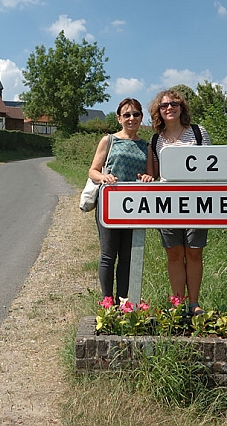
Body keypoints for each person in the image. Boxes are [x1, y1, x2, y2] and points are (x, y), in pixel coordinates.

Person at [146, 89, 211, 316]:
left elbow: (211, 168)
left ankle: (194, 304)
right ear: (158, 111)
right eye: (164, 106)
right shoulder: (155, 139)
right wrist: (146, 178)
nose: (169, 108)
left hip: (197, 202)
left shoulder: (198, 133)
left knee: (194, 252)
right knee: (174, 254)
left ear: (182, 107)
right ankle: (178, 304)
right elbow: (153, 174)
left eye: (174, 104)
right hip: (167, 204)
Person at [88, 98, 154, 302]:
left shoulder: (147, 146)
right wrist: (103, 178)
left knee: (127, 257)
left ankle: (123, 300)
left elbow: (151, 176)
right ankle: (107, 301)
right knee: (108, 256)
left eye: (135, 114)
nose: (131, 118)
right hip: (109, 205)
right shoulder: (109, 141)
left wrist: (147, 178)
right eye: (127, 115)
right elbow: (93, 171)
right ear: (119, 119)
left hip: (134, 207)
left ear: (141, 117)